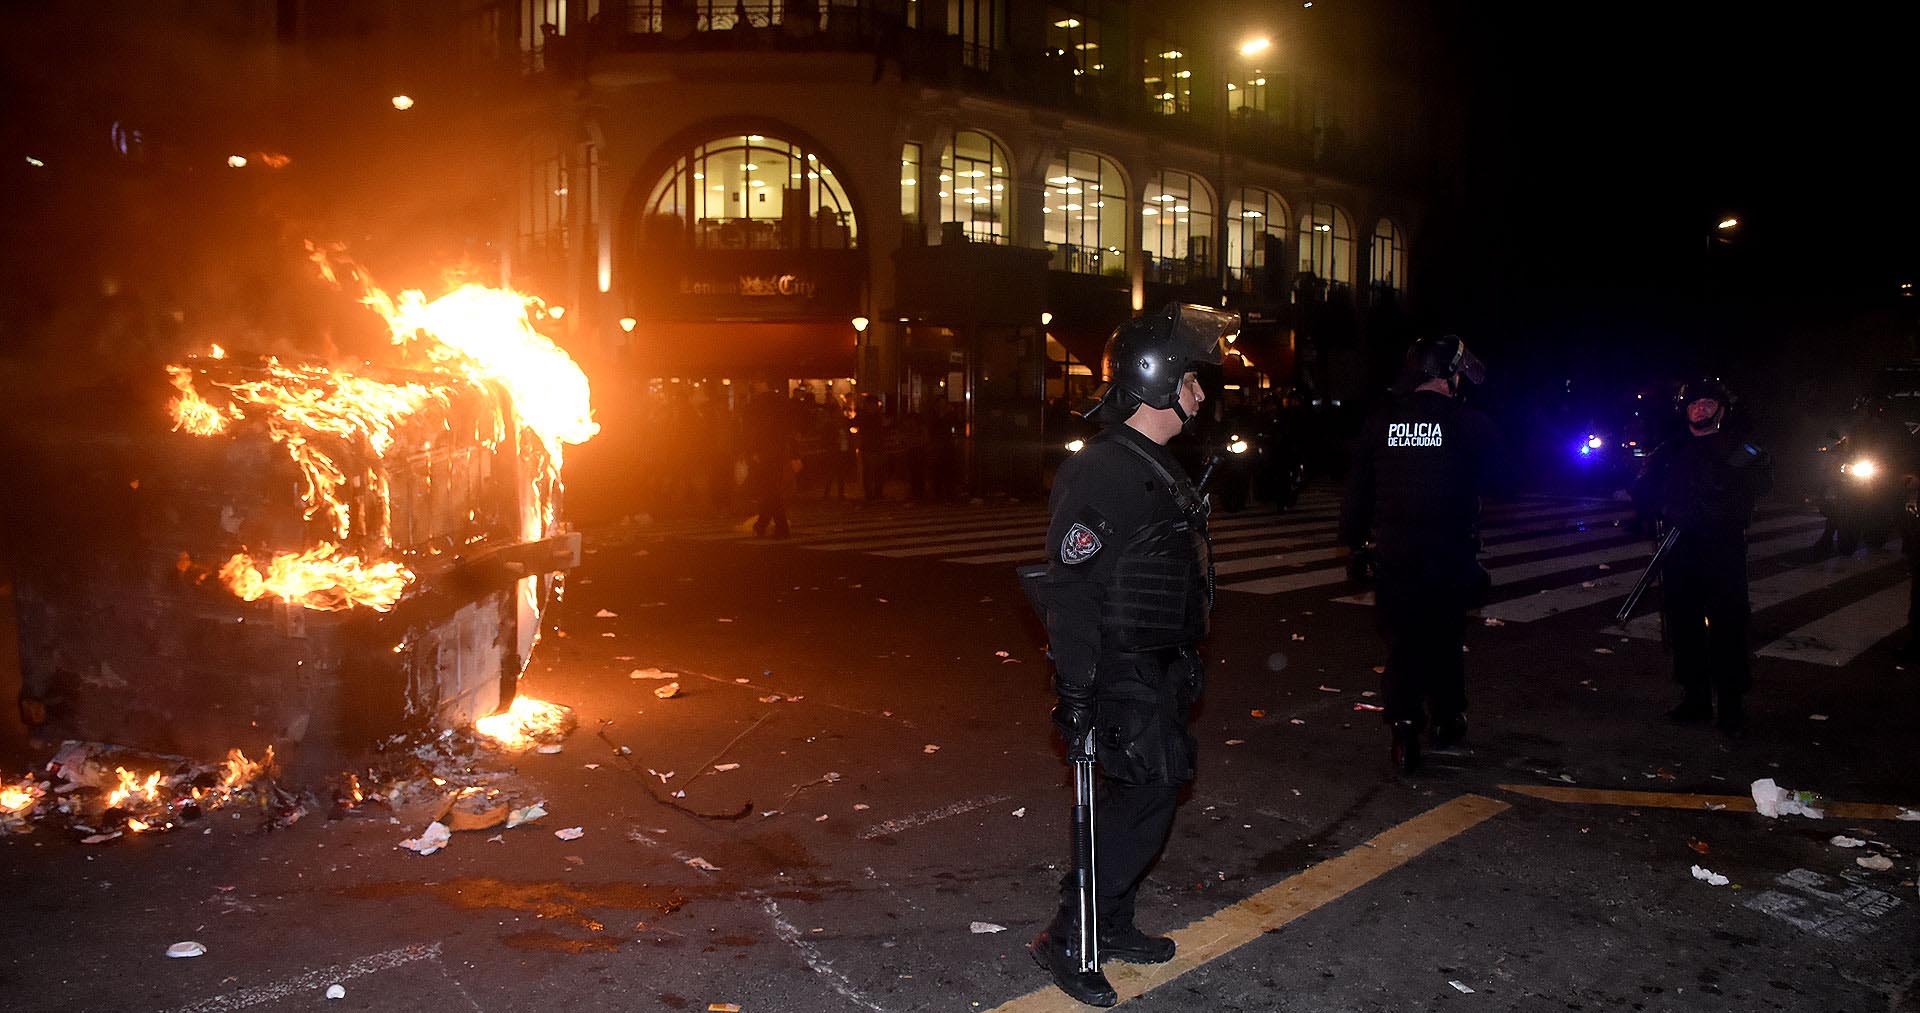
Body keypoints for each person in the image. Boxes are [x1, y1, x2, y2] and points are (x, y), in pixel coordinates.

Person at [1029, 303, 1237, 1007]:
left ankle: (1108, 922)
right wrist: (1078, 694)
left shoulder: (1150, 462)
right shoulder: (1106, 471)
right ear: (1155, 380)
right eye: (1191, 379)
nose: (1200, 393)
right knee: (1145, 798)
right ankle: (1068, 934)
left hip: (1159, 660)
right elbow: (1073, 591)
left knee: (1143, 792)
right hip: (1122, 665)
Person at [1339, 335, 1502, 773]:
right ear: (1450, 375)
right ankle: (1448, 718)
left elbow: (1358, 489)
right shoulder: (1468, 421)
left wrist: (1354, 542)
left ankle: (1405, 728)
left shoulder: (1382, 421)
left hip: (1396, 553)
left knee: (1403, 644)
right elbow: (1502, 473)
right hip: (1448, 553)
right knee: (1445, 640)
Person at [1631, 378, 1772, 733]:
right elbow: (1644, 489)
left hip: (1721, 547)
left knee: (1728, 624)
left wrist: (1724, 483)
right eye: (1695, 404)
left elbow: (1762, 481)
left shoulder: (1738, 446)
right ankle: (1695, 698)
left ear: (1721, 409)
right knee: (1684, 625)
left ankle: (1730, 704)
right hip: (1681, 547)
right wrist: (1657, 509)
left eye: (1708, 403)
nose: (1701, 409)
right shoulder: (1672, 448)